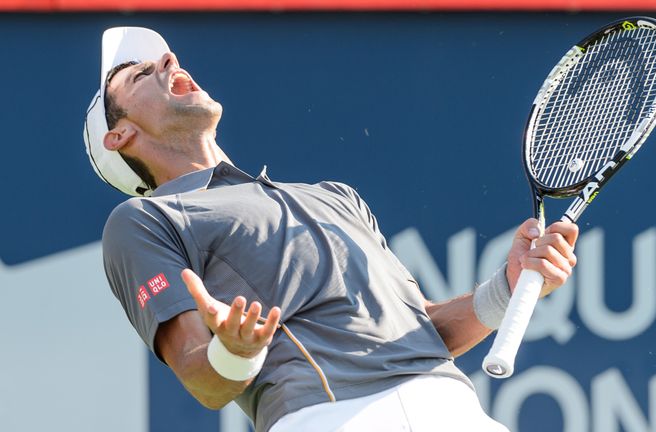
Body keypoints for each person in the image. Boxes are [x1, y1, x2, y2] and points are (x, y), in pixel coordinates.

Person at [84, 27, 578, 432]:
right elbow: (202, 378)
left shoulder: (336, 196)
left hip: (455, 410)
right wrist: (234, 354)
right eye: (142, 74)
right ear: (121, 135)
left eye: (165, 59)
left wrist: (510, 287)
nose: (169, 60)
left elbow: (423, 330)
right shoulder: (144, 221)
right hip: (328, 417)